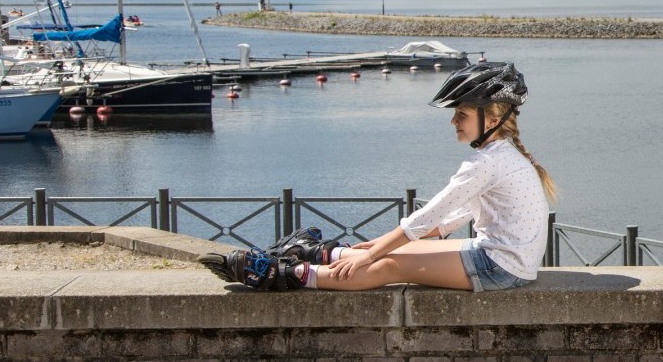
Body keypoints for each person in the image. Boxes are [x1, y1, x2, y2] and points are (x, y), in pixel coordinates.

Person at [204, 61, 556, 292]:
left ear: (491, 118)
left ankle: (287, 275)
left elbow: (427, 217)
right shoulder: (502, 156)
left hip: (501, 269)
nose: (453, 122)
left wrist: (373, 256)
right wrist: (368, 246)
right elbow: (455, 218)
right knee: (406, 249)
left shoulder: (486, 163)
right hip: (508, 261)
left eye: (461, 114)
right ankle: (327, 254)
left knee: (389, 266)